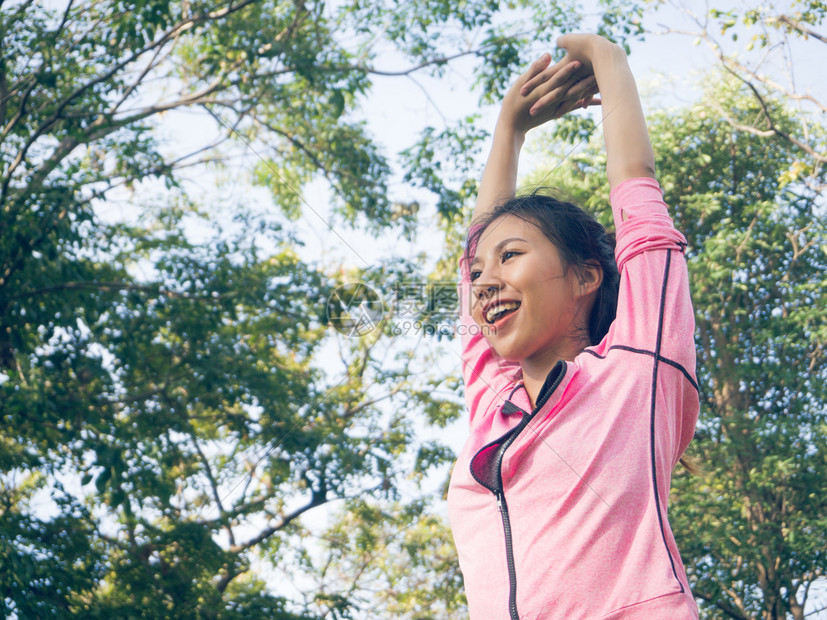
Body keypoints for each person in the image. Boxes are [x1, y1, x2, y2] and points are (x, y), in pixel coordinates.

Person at [446, 33, 700, 619]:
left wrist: (609, 62)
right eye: (480, 270)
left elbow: (638, 195)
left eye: (512, 257)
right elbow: (473, 267)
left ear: (586, 277)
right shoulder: (494, 406)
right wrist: (508, 131)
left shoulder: (639, 368)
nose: (484, 282)